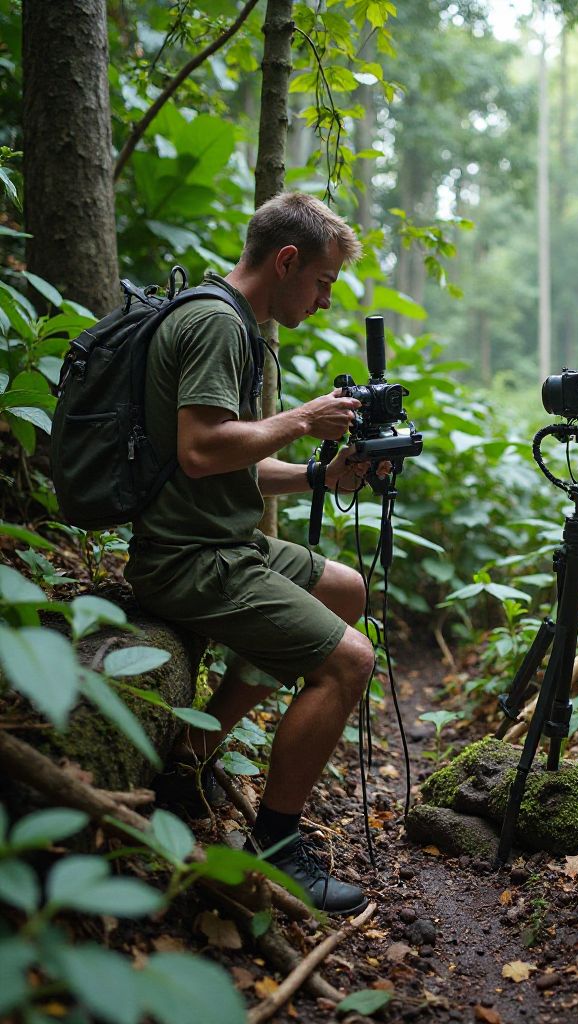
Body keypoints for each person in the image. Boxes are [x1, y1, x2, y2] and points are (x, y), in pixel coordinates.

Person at [126, 192, 380, 915]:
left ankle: (192, 759)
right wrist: (302, 420)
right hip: (189, 557)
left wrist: (318, 476)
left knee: (344, 590)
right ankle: (276, 842)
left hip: (225, 541)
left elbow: (221, 460)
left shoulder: (232, 320)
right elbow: (202, 450)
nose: (326, 301)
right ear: (287, 261)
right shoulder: (216, 325)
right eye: (323, 283)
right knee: (350, 659)